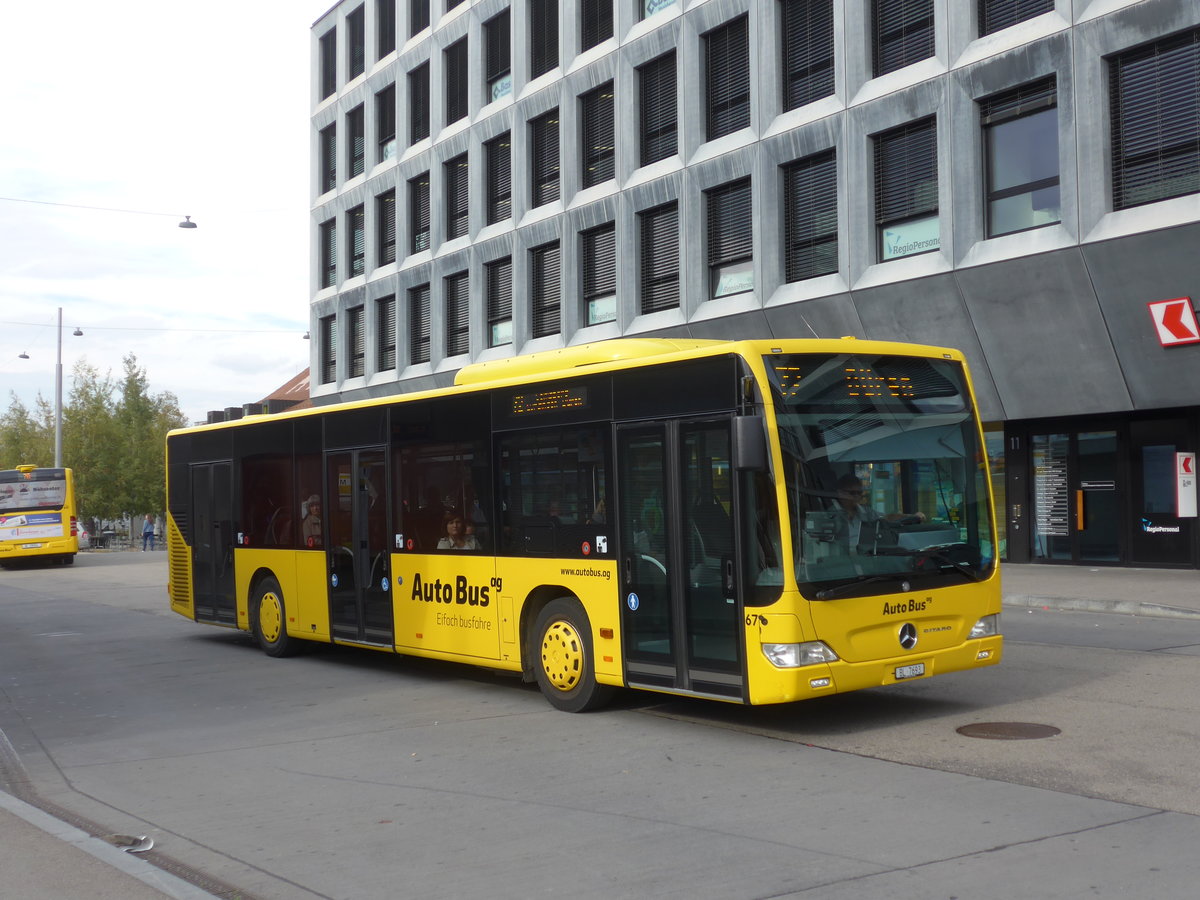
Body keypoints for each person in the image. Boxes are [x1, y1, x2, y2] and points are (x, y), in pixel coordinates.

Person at [832, 474, 924, 552]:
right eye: (852, 493)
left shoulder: (866, 512)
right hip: (841, 558)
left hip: (865, 556)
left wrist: (911, 516)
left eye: (859, 493)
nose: (857, 496)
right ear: (840, 493)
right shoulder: (830, 514)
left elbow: (886, 518)